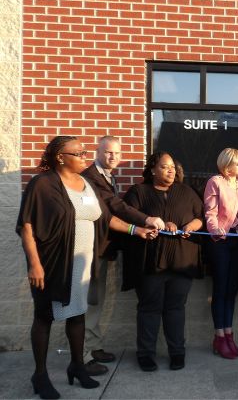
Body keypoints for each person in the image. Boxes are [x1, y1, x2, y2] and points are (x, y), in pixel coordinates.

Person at [16, 136, 155, 400]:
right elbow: (27, 225)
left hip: (82, 264)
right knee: (44, 317)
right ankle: (40, 375)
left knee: (78, 315)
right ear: (60, 157)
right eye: (78, 153)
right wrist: (34, 264)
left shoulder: (87, 184)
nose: (84, 156)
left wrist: (136, 230)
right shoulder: (42, 184)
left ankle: (77, 366)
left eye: (84, 152)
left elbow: (106, 217)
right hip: (52, 264)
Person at [81, 136, 165, 376]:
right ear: (98, 152)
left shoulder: (108, 176)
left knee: (97, 300)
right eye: (108, 152)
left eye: (117, 153)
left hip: (103, 249)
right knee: (89, 302)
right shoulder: (90, 178)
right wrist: (145, 220)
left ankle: (93, 347)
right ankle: (84, 356)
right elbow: (113, 208)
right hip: (91, 249)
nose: (113, 157)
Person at [122, 151, 204, 372]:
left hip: (181, 260)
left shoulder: (187, 192)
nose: (171, 171)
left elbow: (201, 217)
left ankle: (177, 352)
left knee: (176, 308)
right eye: (165, 167)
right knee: (149, 308)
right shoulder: (139, 192)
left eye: (173, 167)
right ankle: (145, 354)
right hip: (151, 262)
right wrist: (155, 223)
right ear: (152, 170)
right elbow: (127, 215)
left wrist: (191, 226)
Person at [204, 148, 238, 359]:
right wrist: (215, 229)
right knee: (221, 289)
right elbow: (210, 212)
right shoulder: (215, 182)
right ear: (227, 165)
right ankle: (219, 337)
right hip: (220, 241)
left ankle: (229, 336)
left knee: (232, 290)